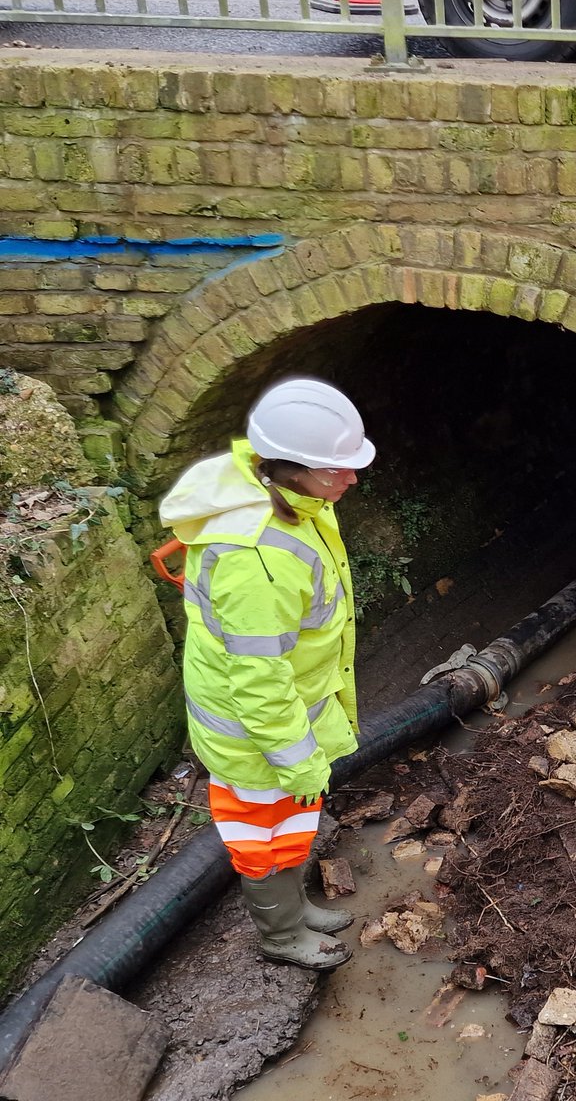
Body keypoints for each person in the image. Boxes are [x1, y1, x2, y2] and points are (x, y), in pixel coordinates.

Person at [160, 377, 376, 971]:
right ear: (289, 466)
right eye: (338, 469)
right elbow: (258, 680)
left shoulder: (293, 499)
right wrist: (295, 755)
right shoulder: (258, 559)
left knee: (295, 817)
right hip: (254, 735)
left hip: (286, 717)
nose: (351, 479)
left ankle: (294, 908)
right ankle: (280, 936)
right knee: (260, 835)